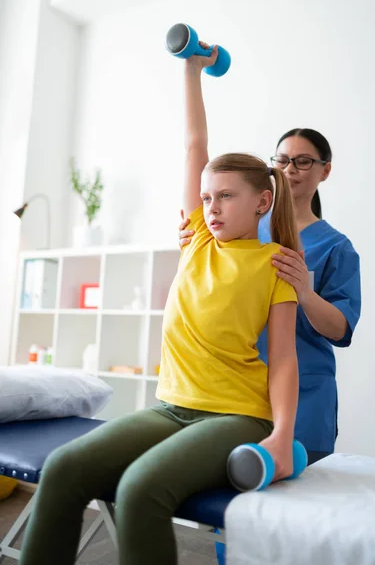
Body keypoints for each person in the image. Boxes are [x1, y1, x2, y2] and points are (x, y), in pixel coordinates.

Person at [20, 46, 300, 565]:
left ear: (262, 201)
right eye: (207, 197)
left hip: (236, 414)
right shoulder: (195, 238)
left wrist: (282, 437)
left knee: (139, 489)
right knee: (62, 469)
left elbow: (284, 358)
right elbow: (195, 143)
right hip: (172, 406)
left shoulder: (274, 263)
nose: (211, 207)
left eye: (227, 197)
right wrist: (191, 70)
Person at [180, 127, 362, 464]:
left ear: (325, 170)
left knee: (296, 503)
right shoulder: (239, 230)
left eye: (303, 161)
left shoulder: (336, 247)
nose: (290, 168)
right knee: (231, 497)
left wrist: (304, 292)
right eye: (282, 159)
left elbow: (340, 329)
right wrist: (191, 240)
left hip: (305, 395)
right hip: (237, 390)